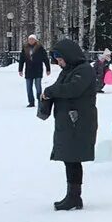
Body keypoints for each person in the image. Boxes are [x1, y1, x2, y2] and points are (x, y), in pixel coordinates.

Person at [40, 38, 98, 211]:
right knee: (69, 159)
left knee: (73, 158)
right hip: (69, 122)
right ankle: (72, 195)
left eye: (60, 59)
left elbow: (73, 89)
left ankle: (74, 196)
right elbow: (61, 87)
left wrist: (50, 91)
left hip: (78, 122)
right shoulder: (68, 70)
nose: (59, 63)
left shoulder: (84, 70)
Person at [18, 34, 51, 107]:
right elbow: (21, 60)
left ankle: (40, 101)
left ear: (35, 40)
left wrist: (48, 69)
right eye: (30, 39)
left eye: (32, 39)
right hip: (28, 71)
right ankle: (31, 102)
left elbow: (45, 59)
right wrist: (20, 70)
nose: (31, 40)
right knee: (28, 88)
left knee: (38, 88)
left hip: (38, 70)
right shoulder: (25, 48)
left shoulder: (40, 48)